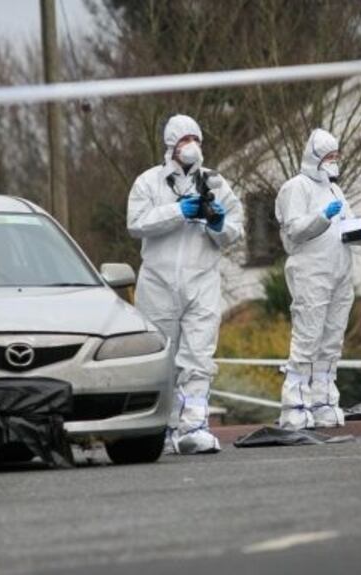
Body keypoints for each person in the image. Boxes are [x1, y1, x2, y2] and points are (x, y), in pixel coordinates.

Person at [127, 114, 244, 454]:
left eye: (196, 138)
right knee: (160, 356)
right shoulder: (148, 183)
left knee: (198, 354)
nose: (191, 146)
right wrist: (178, 210)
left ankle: (193, 424)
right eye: (184, 140)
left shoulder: (216, 183)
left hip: (202, 279)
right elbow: (136, 224)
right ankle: (160, 426)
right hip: (158, 282)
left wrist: (218, 222)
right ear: (170, 146)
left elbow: (234, 230)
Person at [275, 128, 361, 430]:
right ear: (315, 158)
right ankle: (295, 403)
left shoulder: (336, 191)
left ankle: (323, 400)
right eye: (329, 156)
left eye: (336, 156)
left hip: (339, 272)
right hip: (311, 272)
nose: (334, 161)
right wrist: (322, 217)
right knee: (307, 339)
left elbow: (346, 229)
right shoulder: (295, 188)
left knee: (331, 341)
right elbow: (294, 230)